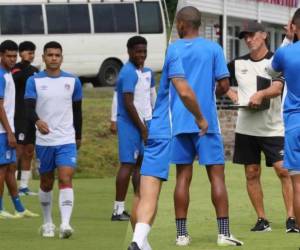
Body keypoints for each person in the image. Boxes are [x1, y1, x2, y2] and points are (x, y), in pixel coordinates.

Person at [127, 23, 209, 250]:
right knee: (182, 178)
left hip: (155, 129)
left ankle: (138, 241)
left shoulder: (171, 54)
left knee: (147, 193)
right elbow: (183, 91)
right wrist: (201, 118)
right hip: (169, 131)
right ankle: (141, 241)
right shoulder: (176, 52)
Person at [168, 6, 243, 246]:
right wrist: (213, 89)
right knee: (217, 177)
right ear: (199, 24)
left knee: (182, 178)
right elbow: (224, 83)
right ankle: (223, 233)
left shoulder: (173, 49)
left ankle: (181, 235)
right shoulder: (213, 48)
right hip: (207, 122)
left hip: (180, 121)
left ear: (181, 24)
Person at [226, 20, 296, 232]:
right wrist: (233, 95)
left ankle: (292, 218)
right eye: (245, 36)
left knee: (283, 171)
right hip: (246, 129)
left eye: (252, 35)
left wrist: (261, 94)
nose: (248, 39)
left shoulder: (278, 59)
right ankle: (262, 219)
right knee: (251, 173)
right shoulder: (237, 63)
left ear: (264, 35)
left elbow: (277, 87)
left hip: (274, 127)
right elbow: (219, 82)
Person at [24, 41, 82, 238]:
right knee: (46, 183)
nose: (54, 58)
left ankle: (65, 225)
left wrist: (78, 135)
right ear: (43, 58)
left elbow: (77, 111)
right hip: (44, 142)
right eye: (50, 55)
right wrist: (38, 121)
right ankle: (48, 223)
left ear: (62, 58)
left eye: (57, 55)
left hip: (66, 140)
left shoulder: (73, 81)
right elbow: (28, 107)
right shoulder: (34, 81)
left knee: (66, 177)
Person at [111, 36, 156, 222]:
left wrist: (152, 122)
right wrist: (142, 128)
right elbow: (128, 103)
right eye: (138, 51)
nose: (142, 55)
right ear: (129, 51)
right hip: (130, 123)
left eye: (144, 51)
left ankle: (138, 203)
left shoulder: (148, 72)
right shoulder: (127, 72)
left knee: (141, 163)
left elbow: (150, 99)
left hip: (145, 121)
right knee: (128, 164)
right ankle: (117, 210)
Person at [268, 8, 300, 230]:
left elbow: (271, 71)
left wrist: (288, 40)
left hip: (295, 122)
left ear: (294, 26)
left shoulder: (286, 53)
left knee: (298, 184)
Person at [0, 40, 39, 219]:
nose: (12, 59)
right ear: (1, 56)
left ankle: (19, 208)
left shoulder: (8, 74)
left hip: (8, 128)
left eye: (14, 56)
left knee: (10, 167)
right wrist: (9, 131)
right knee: (2, 169)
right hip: (2, 131)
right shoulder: (1, 75)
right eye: (8, 56)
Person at [12, 41, 39, 196]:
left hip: (31, 116)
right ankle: (13, 186)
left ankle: (24, 187)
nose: (31, 54)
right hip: (19, 115)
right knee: (19, 150)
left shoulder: (34, 70)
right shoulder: (16, 69)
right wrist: (28, 69)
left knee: (29, 150)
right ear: (20, 53)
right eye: (28, 52)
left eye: (33, 52)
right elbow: (16, 80)